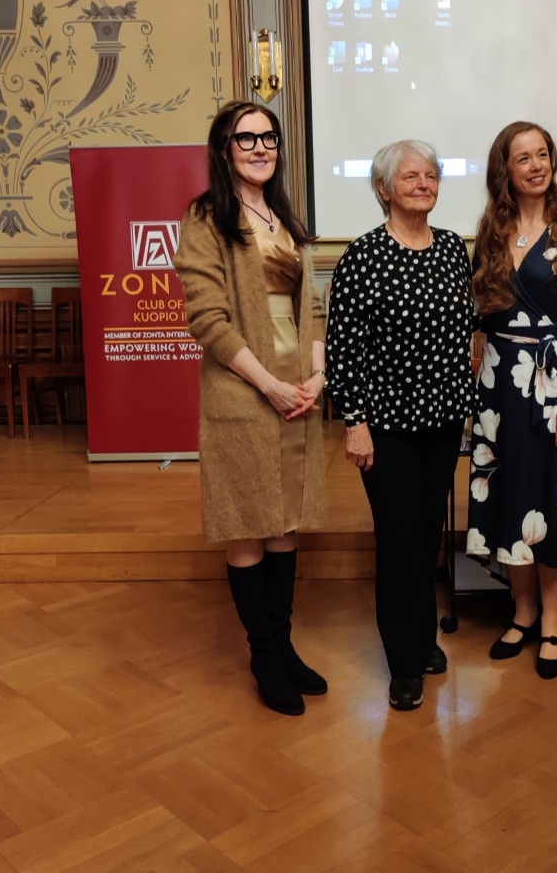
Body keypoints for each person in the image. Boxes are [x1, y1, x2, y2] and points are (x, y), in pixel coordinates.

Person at [174, 99, 328, 716]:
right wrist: (268, 383)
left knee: (285, 522)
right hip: (246, 387)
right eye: (247, 138)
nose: (261, 147)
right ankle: (263, 654)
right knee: (247, 524)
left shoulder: (285, 215)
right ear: (224, 148)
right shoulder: (207, 217)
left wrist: (316, 376)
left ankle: (284, 645)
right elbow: (206, 320)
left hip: (298, 389)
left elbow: (310, 305)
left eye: (269, 137)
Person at [325, 139, 477, 711]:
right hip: (384, 425)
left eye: (431, 174)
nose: (424, 182)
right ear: (383, 189)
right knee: (398, 538)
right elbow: (344, 350)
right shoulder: (362, 258)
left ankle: (423, 638)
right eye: (410, 175)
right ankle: (404, 663)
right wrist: (354, 422)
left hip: (440, 422)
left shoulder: (451, 251)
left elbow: (465, 330)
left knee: (426, 533)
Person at [466, 121, 557, 679]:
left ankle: (550, 621)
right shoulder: (490, 232)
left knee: (552, 504)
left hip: (555, 392)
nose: (535, 165)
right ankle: (520, 613)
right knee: (511, 498)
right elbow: (479, 311)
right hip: (501, 387)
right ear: (507, 169)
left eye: (542, 154)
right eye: (522, 157)